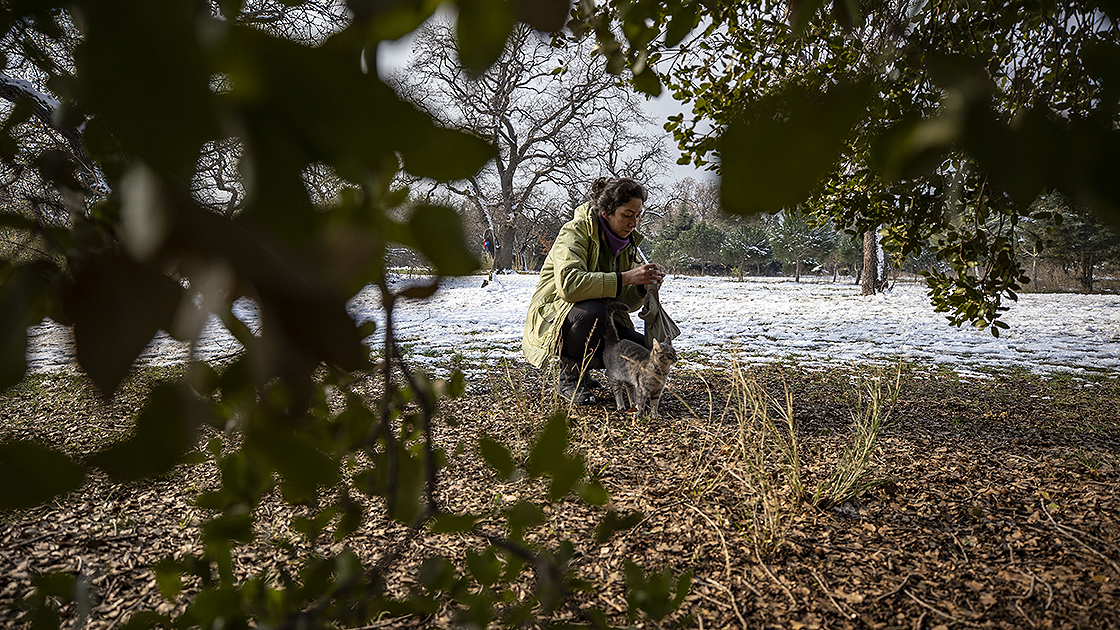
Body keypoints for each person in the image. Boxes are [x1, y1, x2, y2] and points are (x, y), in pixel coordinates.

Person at [522, 177, 666, 403]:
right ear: (606, 212)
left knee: (645, 350)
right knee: (594, 311)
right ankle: (568, 376)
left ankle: (585, 371)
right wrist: (626, 277)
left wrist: (640, 287)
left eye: (638, 216)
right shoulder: (574, 232)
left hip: (600, 320)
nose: (634, 223)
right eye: (627, 215)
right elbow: (569, 286)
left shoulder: (626, 243)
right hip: (558, 318)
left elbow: (624, 303)